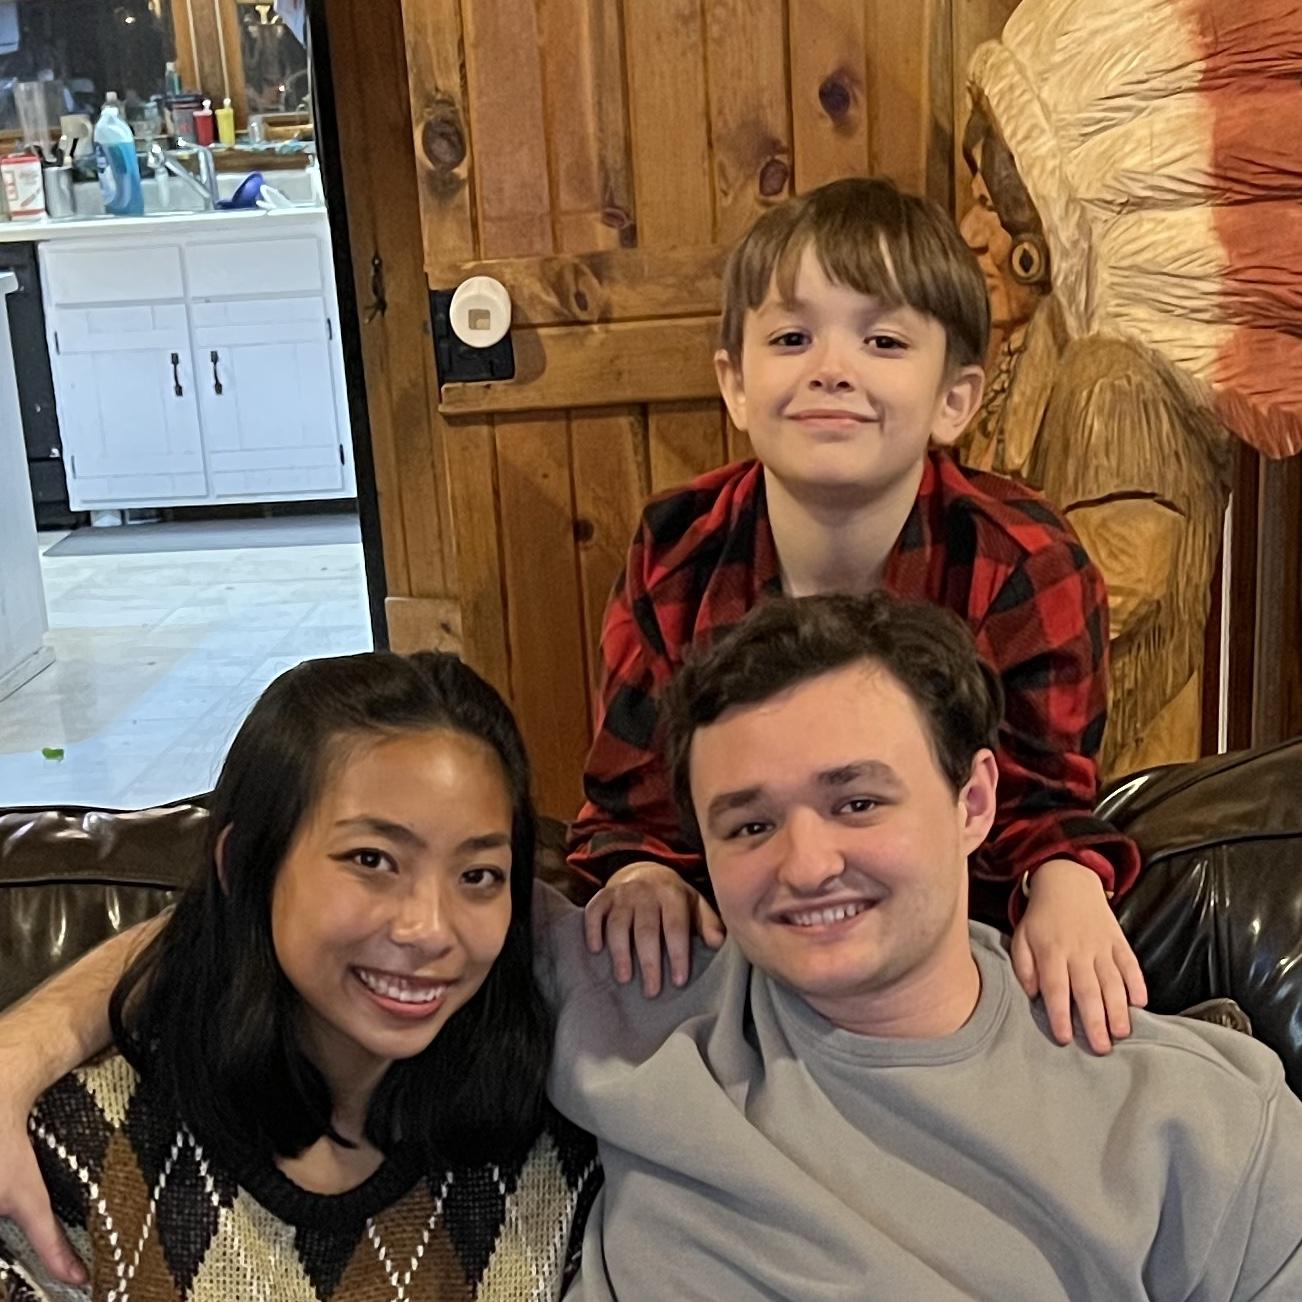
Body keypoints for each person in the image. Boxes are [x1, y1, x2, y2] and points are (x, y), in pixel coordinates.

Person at [549, 592, 1302, 1299]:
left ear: (972, 803)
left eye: (858, 803)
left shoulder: (1205, 1129)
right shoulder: (637, 997)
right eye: (750, 826)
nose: (805, 866)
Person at [573, 176, 1145, 1054]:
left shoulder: (1029, 559)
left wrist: (1065, 877)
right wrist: (640, 869)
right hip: (747, 941)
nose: (831, 368)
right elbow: (629, 800)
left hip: (942, 954)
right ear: (735, 384)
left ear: (954, 399)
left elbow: (1041, 801)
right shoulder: (677, 548)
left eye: (882, 340)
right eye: (792, 338)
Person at [0, 652, 595, 1300]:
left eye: (478, 875)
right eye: (372, 860)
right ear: (245, 864)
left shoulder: (570, 1136)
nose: (430, 929)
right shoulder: (81, 1147)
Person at [956, 0, 1302, 777]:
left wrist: (963, 651)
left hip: (1102, 764)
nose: (971, 234)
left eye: (987, 205)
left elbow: (1122, 581)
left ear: (1038, 232)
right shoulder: (1034, 354)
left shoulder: (1109, 382)